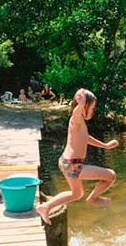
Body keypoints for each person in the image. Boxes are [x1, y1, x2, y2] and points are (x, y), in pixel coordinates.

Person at [36, 88, 119, 225]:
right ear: (83, 106)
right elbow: (76, 114)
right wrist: (81, 104)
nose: (93, 111)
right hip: (72, 164)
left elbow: (86, 138)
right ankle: (93, 198)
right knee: (111, 175)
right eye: (91, 108)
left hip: (67, 162)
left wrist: (105, 146)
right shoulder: (76, 119)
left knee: (77, 194)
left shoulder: (81, 123)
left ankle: (45, 207)